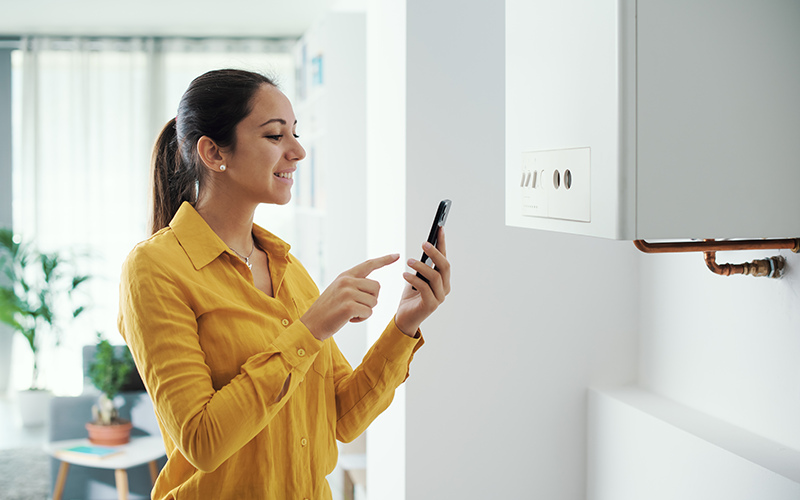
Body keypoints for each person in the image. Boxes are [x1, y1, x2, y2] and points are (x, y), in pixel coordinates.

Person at [117, 69, 450, 499]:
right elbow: (202, 441)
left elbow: (342, 418)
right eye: (275, 136)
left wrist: (404, 325)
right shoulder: (154, 268)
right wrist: (309, 330)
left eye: (295, 133)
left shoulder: (287, 268)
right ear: (214, 152)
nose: (298, 151)